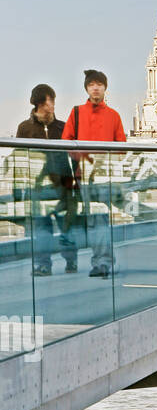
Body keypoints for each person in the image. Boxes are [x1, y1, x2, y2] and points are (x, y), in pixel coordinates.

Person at [61, 70, 125, 277]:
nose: (96, 88)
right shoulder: (77, 112)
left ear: (105, 88)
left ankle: (102, 262)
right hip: (85, 175)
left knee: (100, 219)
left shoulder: (114, 116)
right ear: (87, 88)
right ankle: (102, 261)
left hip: (105, 175)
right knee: (93, 219)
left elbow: (121, 147)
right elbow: (65, 142)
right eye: (92, 85)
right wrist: (83, 158)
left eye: (99, 84)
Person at [16, 84, 78, 276]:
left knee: (66, 227)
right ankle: (44, 265)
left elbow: (75, 154)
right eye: (48, 101)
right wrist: (21, 188)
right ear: (38, 103)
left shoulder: (62, 127)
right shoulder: (24, 128)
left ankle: (71, 261)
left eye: (52, 100)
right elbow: (20, 158)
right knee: (42, 230)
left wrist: (75, 181)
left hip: (63, 186)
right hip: (39, 187)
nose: (52, 104)